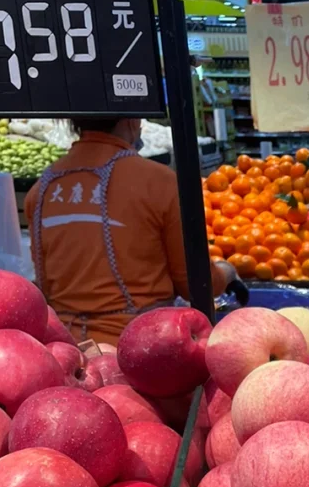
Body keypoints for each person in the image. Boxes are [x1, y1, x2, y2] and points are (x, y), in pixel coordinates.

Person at [25, 116, 188, 346]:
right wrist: (225, 274)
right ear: (131, 121)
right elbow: (192, 283)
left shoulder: (41, 190)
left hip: (64, 350)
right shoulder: (159, 182)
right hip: (141, 349)